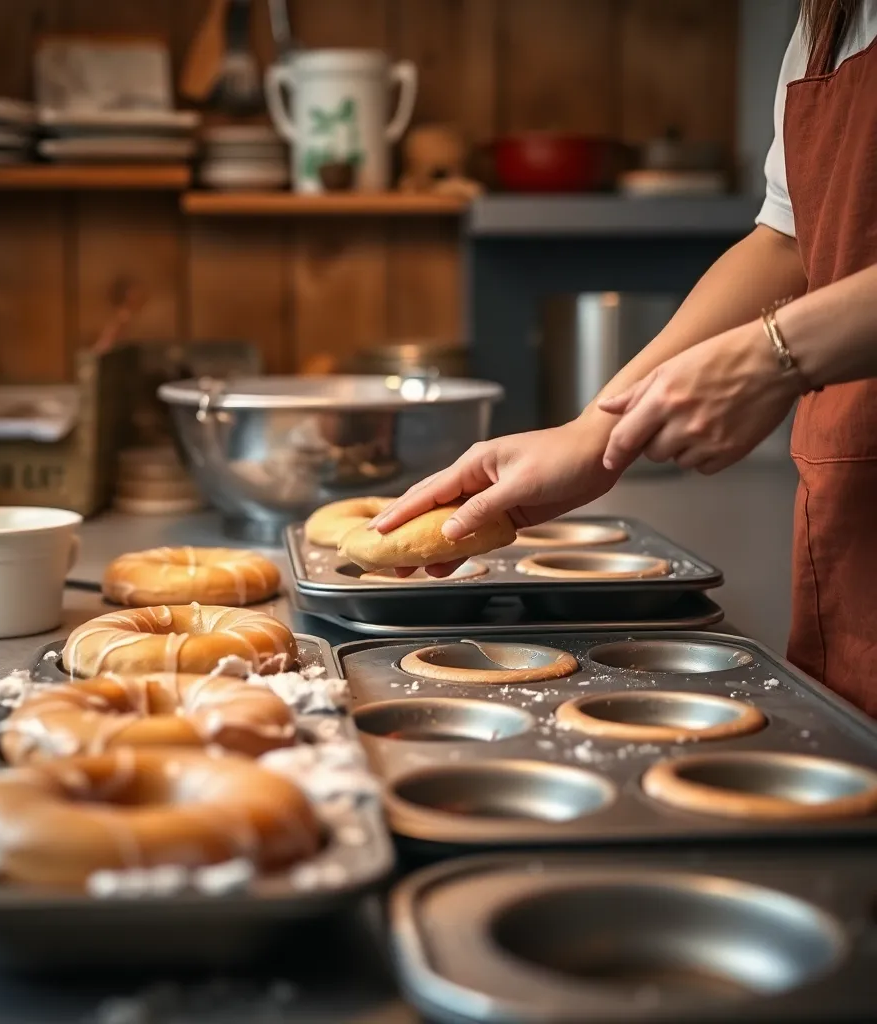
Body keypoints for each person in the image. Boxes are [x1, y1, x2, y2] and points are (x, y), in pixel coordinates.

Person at [371, 0, 877, 716]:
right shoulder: (829, 19)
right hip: (856, 525)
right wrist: (594, 435)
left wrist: (778, 352)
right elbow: (787, 239)